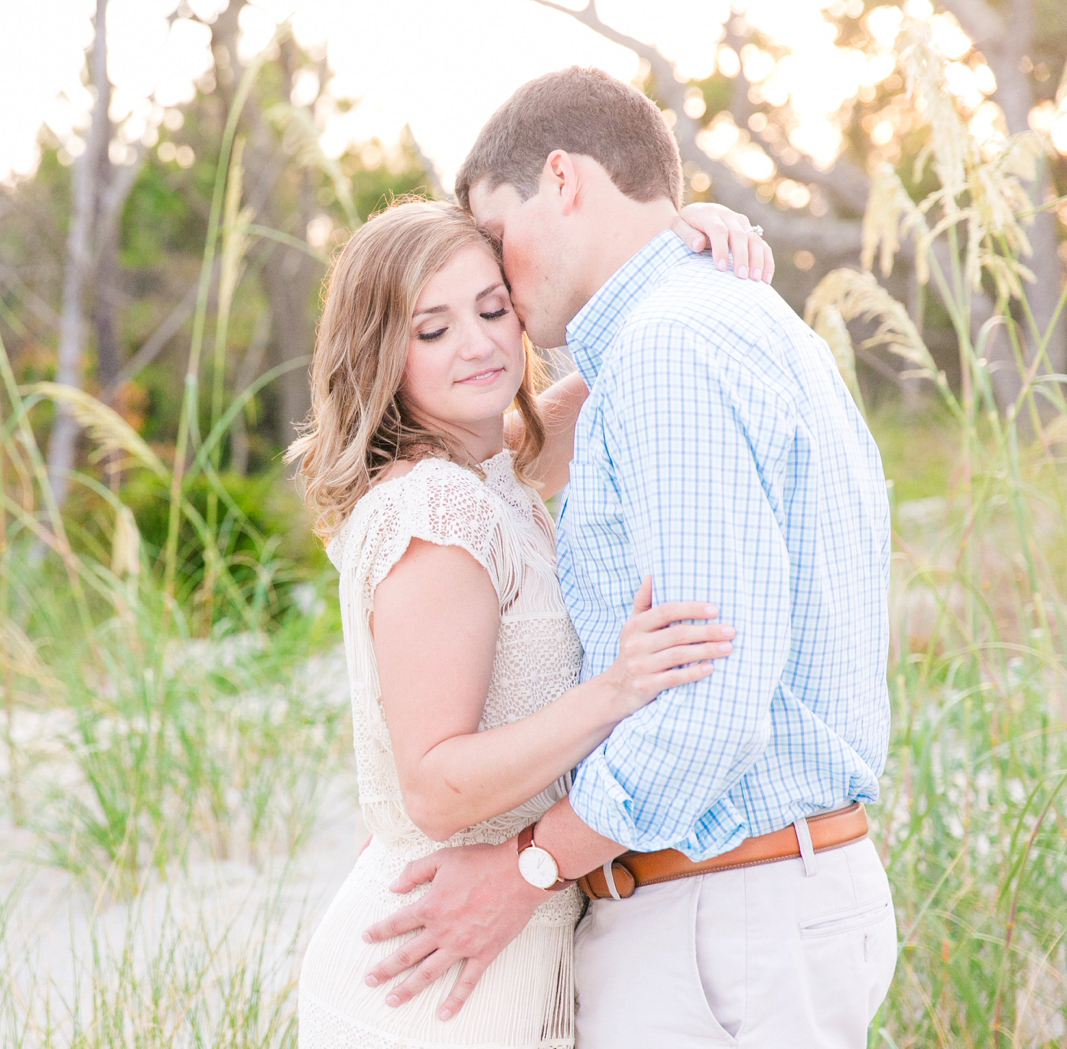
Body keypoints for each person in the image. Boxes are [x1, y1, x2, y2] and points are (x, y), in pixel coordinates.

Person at [359, 67, 897, 1048]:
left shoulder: (670, 350)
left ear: (561, 178)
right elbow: (508, 449)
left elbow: (709, 705)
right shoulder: (721, 323)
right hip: (750, 912)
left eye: (494, 233)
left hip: (720, 919)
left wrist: (530, 864)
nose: (498, 278)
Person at [287, 195, 769, 1048]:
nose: (476, 343)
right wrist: (615, 691)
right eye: (431, 329)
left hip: (493, 938)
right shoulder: (438, 507)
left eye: (492, 307)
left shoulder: (488, 469)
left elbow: (628, 361)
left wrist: (676, 239)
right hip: (432, 970)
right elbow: (433, 786)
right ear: (379, 353)